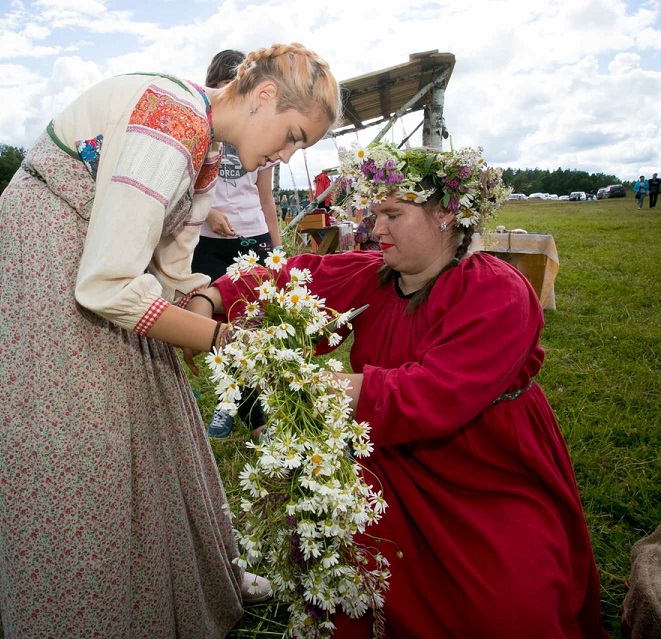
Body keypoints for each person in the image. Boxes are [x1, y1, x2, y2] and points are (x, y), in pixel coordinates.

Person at [0, 43, 340, 638]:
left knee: (148, 409)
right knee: (78, 432)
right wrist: (220, 337)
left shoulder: (207, 148)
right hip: (51, 248)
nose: (286, 156)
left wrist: (220, 311)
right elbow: (106, 285)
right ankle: (77, 609)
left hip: (94, 256)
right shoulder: (173, 122)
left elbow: (172, 268)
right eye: (292, 136)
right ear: (264, 96)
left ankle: (166, 582)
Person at [187, 143, 607, 638]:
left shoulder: (499, 291)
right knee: (345, 573)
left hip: (487, 467)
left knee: (506, 611)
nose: (375, 228)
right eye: (373, 214)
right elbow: (293, 277)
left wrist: (307, 382)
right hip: (387, 456)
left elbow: (435, 393)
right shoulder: (376, 274)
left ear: (446, 215)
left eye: (392, 214)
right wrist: (211, 295)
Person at [191, 49, 282, 440]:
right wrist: (209, 212)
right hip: (209, 243)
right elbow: (186, 187)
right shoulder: (201, 127)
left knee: (251, 326)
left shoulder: (263, 134)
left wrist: (277, 252)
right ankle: (237, 407)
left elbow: (266, 197)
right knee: (218, 327)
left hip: (252, 239)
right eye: (225, 84)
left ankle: (247, 411)